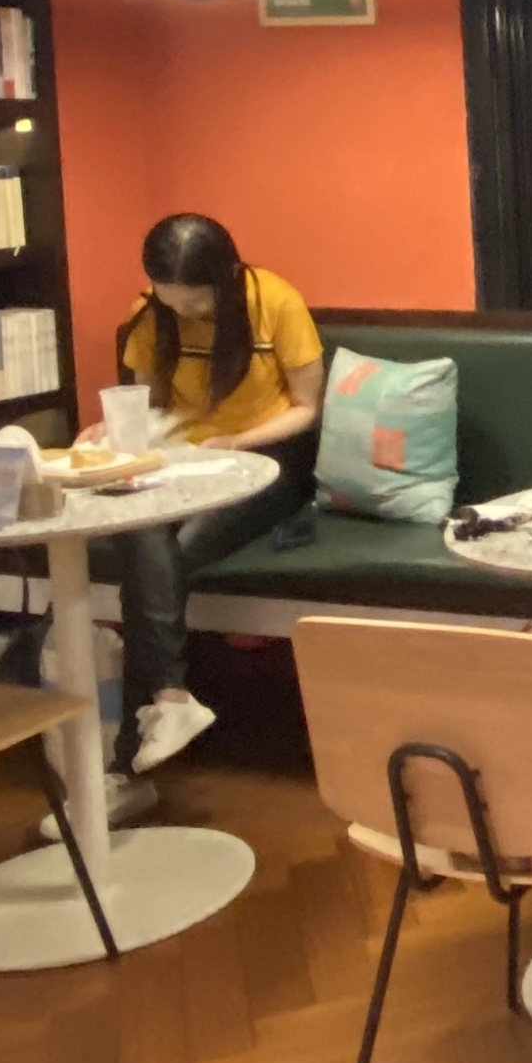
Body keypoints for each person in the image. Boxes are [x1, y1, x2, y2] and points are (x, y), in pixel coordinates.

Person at [110, 213, 324, 773]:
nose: (184, 313)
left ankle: (131, 747)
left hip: (266, 459)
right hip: (183, 460)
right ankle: (170, 701)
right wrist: (111, 434)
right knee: (142, 529)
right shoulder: (149, 315)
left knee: (164, 558)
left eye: (197, 303)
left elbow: (307, 408)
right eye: (172, 300)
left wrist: (236, 441)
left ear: (226, 277)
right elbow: (149, 407)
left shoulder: (275, 302)